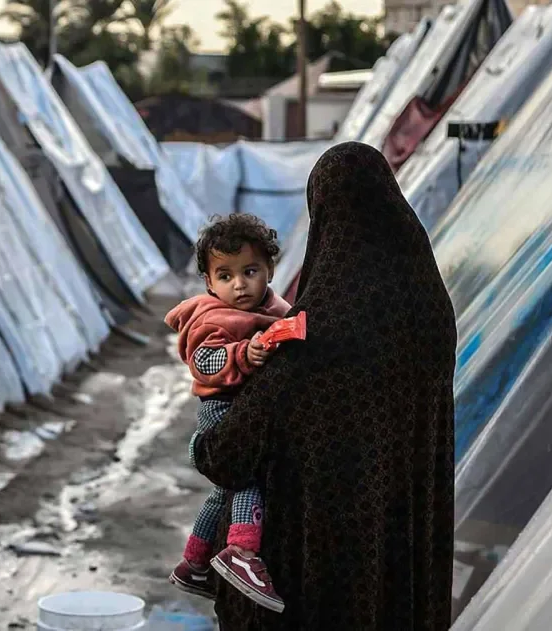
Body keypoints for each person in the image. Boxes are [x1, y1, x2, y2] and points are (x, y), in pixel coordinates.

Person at [192, 141, 457, 629]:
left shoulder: (324, 323)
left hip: (321, 570)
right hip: (403, 560)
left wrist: (203, 443)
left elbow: (230, 453)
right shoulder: (431, 310)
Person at [164, 214, 292, 612]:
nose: (239, 285)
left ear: (270, 270)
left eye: (250, 271)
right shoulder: (210, 317)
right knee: (246, 472)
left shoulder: (275, 308)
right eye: (225, 275)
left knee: (223, 492)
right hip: (222, 409)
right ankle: (242, 550)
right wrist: (242, 353)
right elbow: (204, 361)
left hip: (247, 408)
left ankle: (194, 563)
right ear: (208, 282)